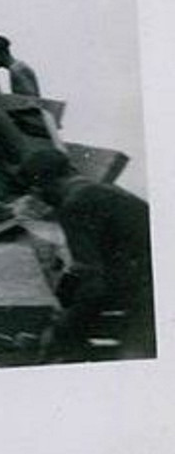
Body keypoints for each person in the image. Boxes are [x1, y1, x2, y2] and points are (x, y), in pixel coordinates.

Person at [19, 149, 155, 362]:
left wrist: (61, 328)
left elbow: (92, 282)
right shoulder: (113, 194)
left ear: (40, 188)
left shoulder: (75, 205)